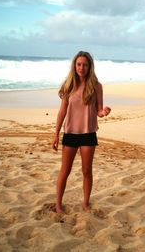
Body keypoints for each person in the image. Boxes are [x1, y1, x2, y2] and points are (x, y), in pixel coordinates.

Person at [52, 51, 111, 213]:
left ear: (90, 66)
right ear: (74, 65)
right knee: (65, 170)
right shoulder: (69, 85)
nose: (81, 68)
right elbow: (61, 112)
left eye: (85, 64)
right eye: (79, 64)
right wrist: (56, 134)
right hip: (70, 133)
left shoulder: (97, 86)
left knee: (87, 170)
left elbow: (98, 110)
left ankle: (85, 203)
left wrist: (103, 112)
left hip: (88, 134)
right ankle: (58, 205)